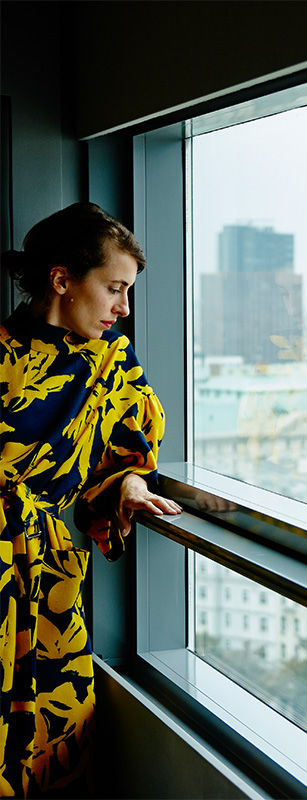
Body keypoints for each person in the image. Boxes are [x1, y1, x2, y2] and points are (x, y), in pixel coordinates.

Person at [0, 202, 182, 797]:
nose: (123, 308)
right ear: (61, 280)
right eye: (113, 288)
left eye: (128, 291)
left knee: (60, 725)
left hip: (47, 579)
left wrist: (130, 482)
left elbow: (128, 446)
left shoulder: (113, 362)